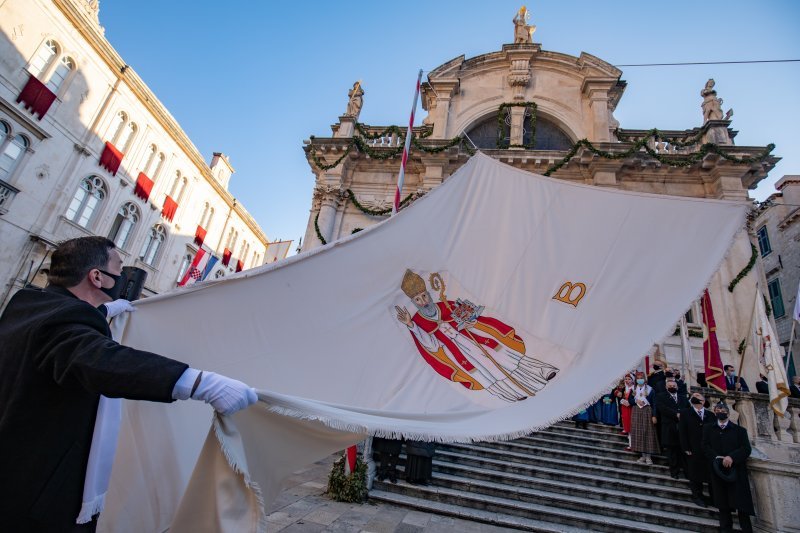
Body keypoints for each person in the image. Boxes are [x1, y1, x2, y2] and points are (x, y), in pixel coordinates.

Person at [0, 237, 258, 532]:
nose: (122, 276)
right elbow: (97, 359)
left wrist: (101, 313)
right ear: (97, 277)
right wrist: (197, 382)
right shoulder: (63, 322)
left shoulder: (28, 305)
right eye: (118, 268)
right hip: (35, 498)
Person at [395, 270, 558, 402]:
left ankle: (542, 371)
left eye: (424, 296)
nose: (423, 301)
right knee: (484, 373)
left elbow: (470, 314)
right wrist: (411, 325)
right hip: (458, 352)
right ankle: (509, 394)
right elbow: (432, 346)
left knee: (507, 356)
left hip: (474, 339)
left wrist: (470, 322)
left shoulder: (446, 304)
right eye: (418, 299)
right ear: (414, 302)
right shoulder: (417, 321)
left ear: (428, 295)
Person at [702, 401, 755, 533]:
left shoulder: (740, 430)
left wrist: (732, 457)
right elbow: (705, 446)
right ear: (715, 413)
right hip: (717, 470)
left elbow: (746, 449)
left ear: (728, 413)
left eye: (723, 410)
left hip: (736, 470)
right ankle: (726, 529)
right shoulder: (709, 428)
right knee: (722, 503)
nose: (721, 412)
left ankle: (746, 529)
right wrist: (717, 458)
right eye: (718, 410)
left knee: (742, 504)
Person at [679, 391, 716, 507]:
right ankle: (697, 496)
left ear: (703, 401)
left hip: (708, 450)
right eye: (693, 396)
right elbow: (682, 431)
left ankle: (714, 499)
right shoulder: (685, 413)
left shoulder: (710, 415)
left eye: (697, 396)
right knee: (695, 474)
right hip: (693, 448)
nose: (694, 397)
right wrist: (685, 447)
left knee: (711, 475)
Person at [655, 378, 688, 479]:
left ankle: (686, 472)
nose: (672, 387)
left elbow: (687, 408)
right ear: (666, 387)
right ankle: (674, 472)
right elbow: (662, 408)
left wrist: (681, 414)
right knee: (671, 452)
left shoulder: (683, 397)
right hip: (669, 427)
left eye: (674, 386)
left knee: (682, 451)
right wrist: (675, 414)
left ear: (677, 387)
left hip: (682, 428)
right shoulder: (661, 396)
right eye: (670, 386)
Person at [630, 371, 659, 464]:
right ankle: (642, 456)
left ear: (645, 379)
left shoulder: (650, 389)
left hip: (647, 411)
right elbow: (630, 400)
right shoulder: (634, 389)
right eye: (638, 378)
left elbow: (654, 403)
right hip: (636, 412)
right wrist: (636, 401)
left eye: (641, 378)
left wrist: (654, 415)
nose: (640, 380)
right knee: (638, 433)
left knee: (647, 432)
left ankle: (648, 457)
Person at [618, 374, 635, 448]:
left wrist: (630, 402)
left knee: (632, 425)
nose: (627, 381)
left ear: (632, 380)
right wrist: (621, 400)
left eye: (629, 379)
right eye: (626, 379)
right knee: (627, 424)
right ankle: (630, 444)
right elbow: (621, 397)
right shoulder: (624, 388)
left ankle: (633, 445)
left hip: (632, 409)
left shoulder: (635, 388)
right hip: (624, 408)